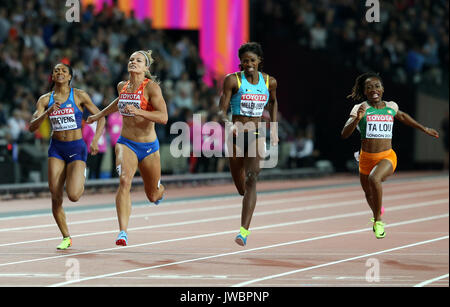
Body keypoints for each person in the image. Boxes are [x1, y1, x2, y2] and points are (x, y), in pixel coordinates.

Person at [341, 72, 439, 239]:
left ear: (382, 89)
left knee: (374, 179)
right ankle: (377, 207)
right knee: (368, 193)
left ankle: (378, 221)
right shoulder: (360, 108)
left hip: (386, 156)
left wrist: (424, 128)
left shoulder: (391, 107)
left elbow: (403, 116)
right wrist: (357, 119)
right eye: (369, 87)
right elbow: (344, 134)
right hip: (365, 158)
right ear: (365, 91)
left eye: (377, 86)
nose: (374, 90)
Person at [86, 50, 168, 246]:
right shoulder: (122, 86)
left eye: (138, 60)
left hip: (148, 146)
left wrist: (139, 111)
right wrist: (99, 115)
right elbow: (118, 103)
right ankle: (123, 232)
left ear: (146, 68)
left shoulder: (152, 88)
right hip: (126, 143)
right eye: (131, 59)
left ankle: (159, 190)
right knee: (124, 181)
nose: (133, 62)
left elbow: (163, 117)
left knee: (152, 195)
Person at [29, 63, 105, 250]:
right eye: (56, 71)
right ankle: (66, 236)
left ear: (70, 76)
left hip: (76, 147)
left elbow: (101, 116)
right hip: (56, 148)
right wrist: (47, 113)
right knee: (55, 195)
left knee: (73, 195)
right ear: (52, 77)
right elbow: (32, 127)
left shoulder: (79, 95)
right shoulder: (45, 100)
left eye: (64, 71)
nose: (60, 73)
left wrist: (95, 140)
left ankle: (81, 173)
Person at [218, 42, 278, 246]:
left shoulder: (270, 82)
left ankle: (243, 232)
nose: (249, 64)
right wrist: (228, 124)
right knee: (241, 186)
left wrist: (274, 128)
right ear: (240, 63)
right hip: (236, 134)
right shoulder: (232, 80)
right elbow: (221, 110)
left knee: (252, 179)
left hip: (257, 133)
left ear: (259, 61)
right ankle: (246, 197)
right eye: (245, 61)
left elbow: (274, 102)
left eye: (252, 60)